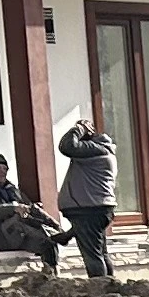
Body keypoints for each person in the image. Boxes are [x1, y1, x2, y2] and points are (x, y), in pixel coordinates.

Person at [0, 152, 70, 271]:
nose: (2, 171)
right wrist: (13, 208)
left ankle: (52, 271)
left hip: (19, 234)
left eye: (4, 168)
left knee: (48, 242)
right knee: (31, 231)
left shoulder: (12, 189)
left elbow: (30, 207)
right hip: (0, 237)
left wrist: (53, 223)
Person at [57, 117, 120, 279]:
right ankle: (110, 285)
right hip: (97, 209)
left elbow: (67, 146)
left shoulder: (96, 150)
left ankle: (100, 288)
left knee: (93, 256)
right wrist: (68, 235)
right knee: (100, 253)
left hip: (88, 209)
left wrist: (78, 129)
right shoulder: (103, 151)